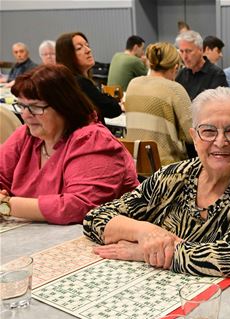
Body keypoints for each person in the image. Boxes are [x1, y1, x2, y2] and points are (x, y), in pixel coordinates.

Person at [83, 87, 230, 277]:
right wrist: (146, 232)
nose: (220, 142)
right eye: (208, 131)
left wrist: (145, 253)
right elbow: (95, 218)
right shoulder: (174, 175)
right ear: (194, 137)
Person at [0, 65, 138, 224]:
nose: (25, 114)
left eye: (35, 107)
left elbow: (79, 206)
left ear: (64, 106)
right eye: (22, 106)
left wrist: (6, 205)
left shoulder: (93, 141)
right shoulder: (26, 135)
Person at [124, 42, 195, 165]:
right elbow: (192, 135)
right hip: (166, 170)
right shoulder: (174, 89)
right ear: (176, 67)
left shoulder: (133, 84)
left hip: (134, 165)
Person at [56, 32, 122, 126]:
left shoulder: (66, 82)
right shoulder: (80, 83)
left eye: (87, 45)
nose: (88, 50)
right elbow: (114, 110)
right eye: (79, 48)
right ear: (67, 56)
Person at [175, 31, 228, 100]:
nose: (184, 57)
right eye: (181, 51)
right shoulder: (181, 74)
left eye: (188, 51)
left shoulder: (216, 74)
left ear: (201, 50)